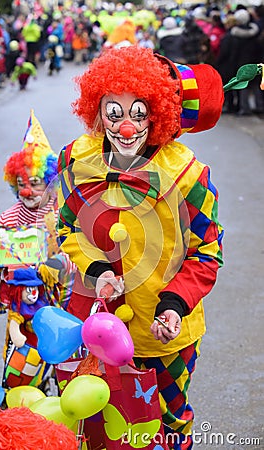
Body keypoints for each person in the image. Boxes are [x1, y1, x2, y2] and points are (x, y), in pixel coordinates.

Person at [57, 46, 225, 449]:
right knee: (99, 421)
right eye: (114, 112)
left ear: (159, 114)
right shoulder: (75, 160)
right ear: (97, 111)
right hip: (95, 327)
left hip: (164, 338)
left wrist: (173, 305)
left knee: (168, 421)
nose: (126, 128)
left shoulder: (188, 175)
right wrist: (96, 272)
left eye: (139, 113)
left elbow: (207, 252)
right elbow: (67, 228)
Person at [0, 109, 76, 393]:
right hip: (24, 311)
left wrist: (55, 265)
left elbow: (79, 254)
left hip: (62, 306)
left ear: (49, 181)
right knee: (22, 372)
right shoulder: (9, 216)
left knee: (63, 368)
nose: (27, 191)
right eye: (21, 184)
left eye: (35, 183)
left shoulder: (62, 214)